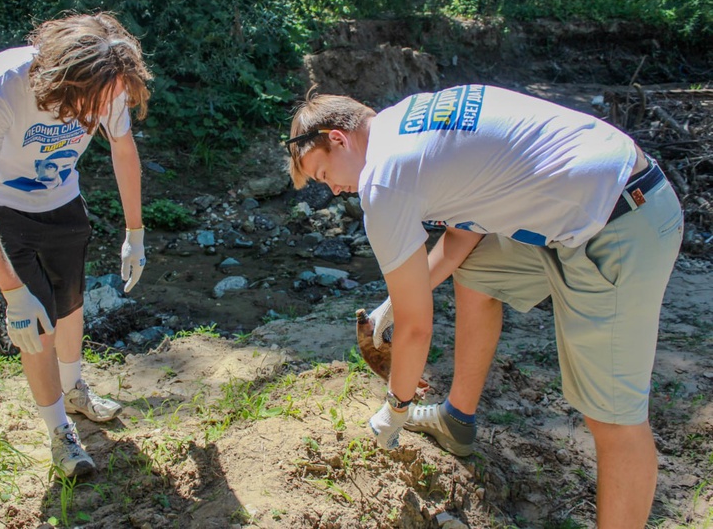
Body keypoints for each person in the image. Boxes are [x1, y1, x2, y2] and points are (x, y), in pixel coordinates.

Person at [286, 84, 683, 527]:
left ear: (338, 139)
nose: (336, 190)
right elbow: (463, 236)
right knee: (477, 271)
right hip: (595, 201)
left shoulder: (382, 179)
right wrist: (393, 303)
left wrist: (395, 407)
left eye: (324, 175)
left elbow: (418, 329)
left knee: (614, 421)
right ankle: (457, 419)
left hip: (621, 223)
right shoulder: (407, 118)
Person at [0, 12, 152, 478]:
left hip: (62, 199)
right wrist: (13, 292)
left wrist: (136, 232)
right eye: (94, 102)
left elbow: (123, 151)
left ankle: (73, 389)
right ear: (66, 82)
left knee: (69, 306)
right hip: (4, 208)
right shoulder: (3, 88)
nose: (103, 111)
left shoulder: (109, 81)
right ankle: (58, 430)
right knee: (37, 322)